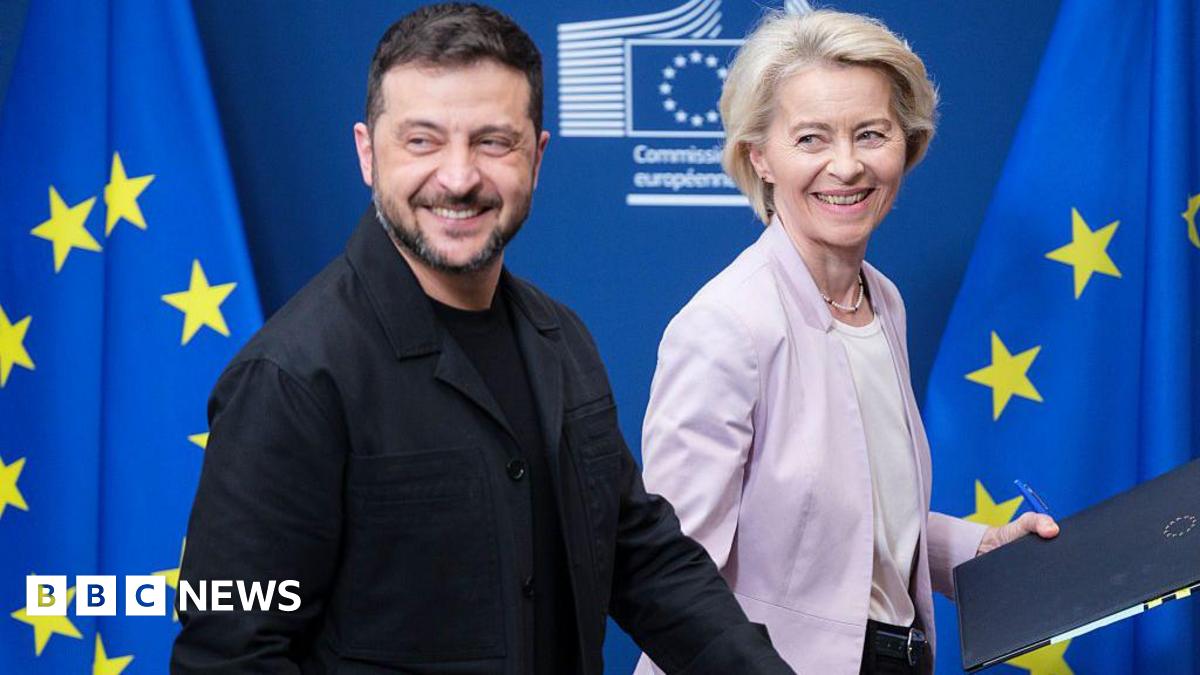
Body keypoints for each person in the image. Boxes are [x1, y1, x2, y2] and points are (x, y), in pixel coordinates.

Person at [170, 4, 793, 674]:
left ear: (537, 155)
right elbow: (229, 657)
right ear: (366, 153)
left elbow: (643, 558)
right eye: (422, 141)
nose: (460, 177)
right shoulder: (291, 377)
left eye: (493, 141)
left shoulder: (563, 341)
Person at [633, 10, 1059, 675]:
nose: (846, 164)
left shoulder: (881, 299)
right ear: (760, 157)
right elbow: (669, 581)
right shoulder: (726, 325)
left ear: (907, 145)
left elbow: (839, 525)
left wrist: (981, 549)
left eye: (870, 133)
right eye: (811, 137)